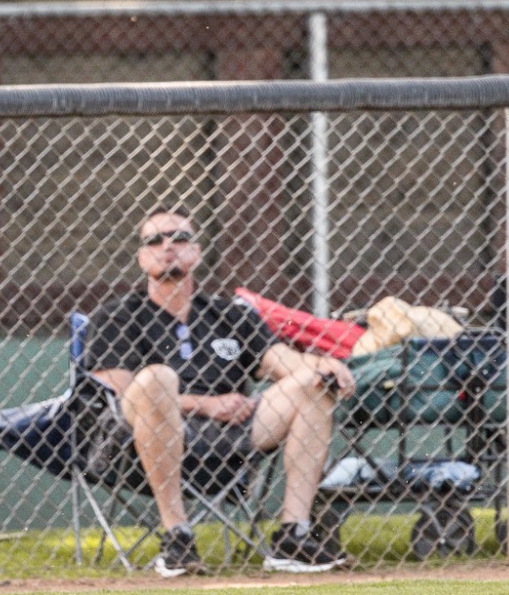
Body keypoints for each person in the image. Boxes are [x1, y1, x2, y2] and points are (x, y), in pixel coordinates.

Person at [83, 206, 353, 575]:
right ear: (142, 257)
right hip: (143, 439)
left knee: (313, 384)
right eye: (155, 240)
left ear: (196, 252)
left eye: (180, 238)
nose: (168, 246)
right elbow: (123, 393)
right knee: (157, 378)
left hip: (233, 435)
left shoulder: (231, 315)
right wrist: (205, 404)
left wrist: (324, 365)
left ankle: (293, 534)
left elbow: (284, 362)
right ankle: (176, 536)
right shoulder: (116, 316)